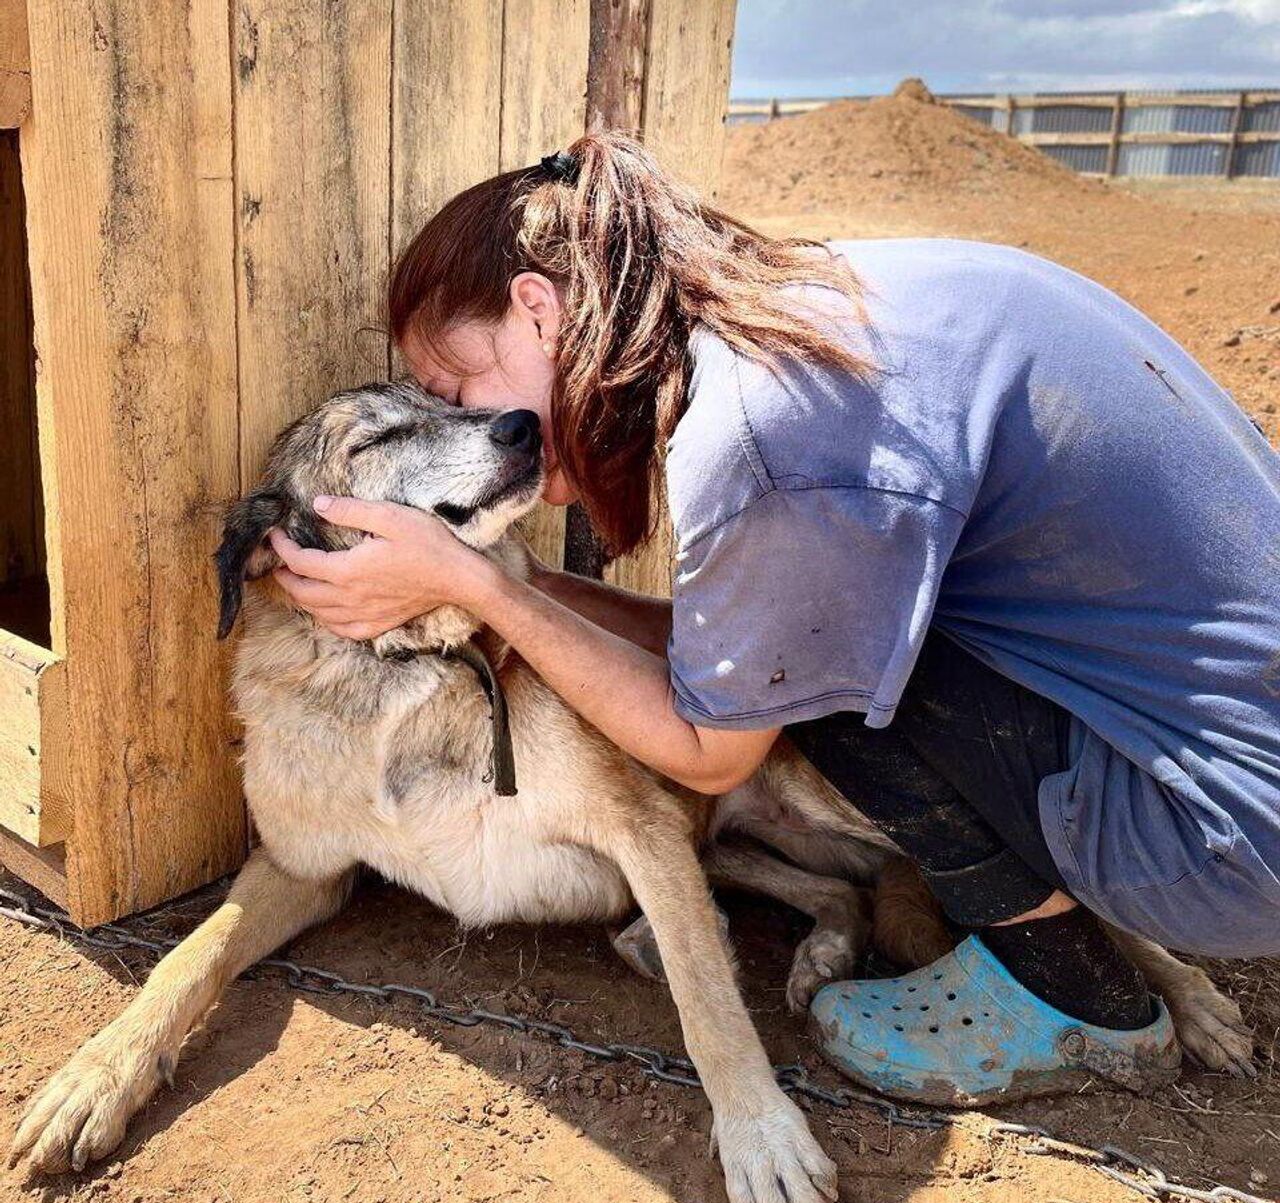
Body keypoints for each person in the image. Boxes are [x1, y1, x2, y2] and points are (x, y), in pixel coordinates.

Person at [267, 133, 1280, 1102]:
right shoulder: (804, 310)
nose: (466, 426)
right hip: (1213, 736)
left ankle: (1077, 997)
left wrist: (480, 585)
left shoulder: (763, 435)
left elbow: (713, 750)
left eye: (456, 387)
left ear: (537, 309)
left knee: (814, 667)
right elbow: (728, 645)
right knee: (789, 642)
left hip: (1223, 833)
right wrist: (506, 583)